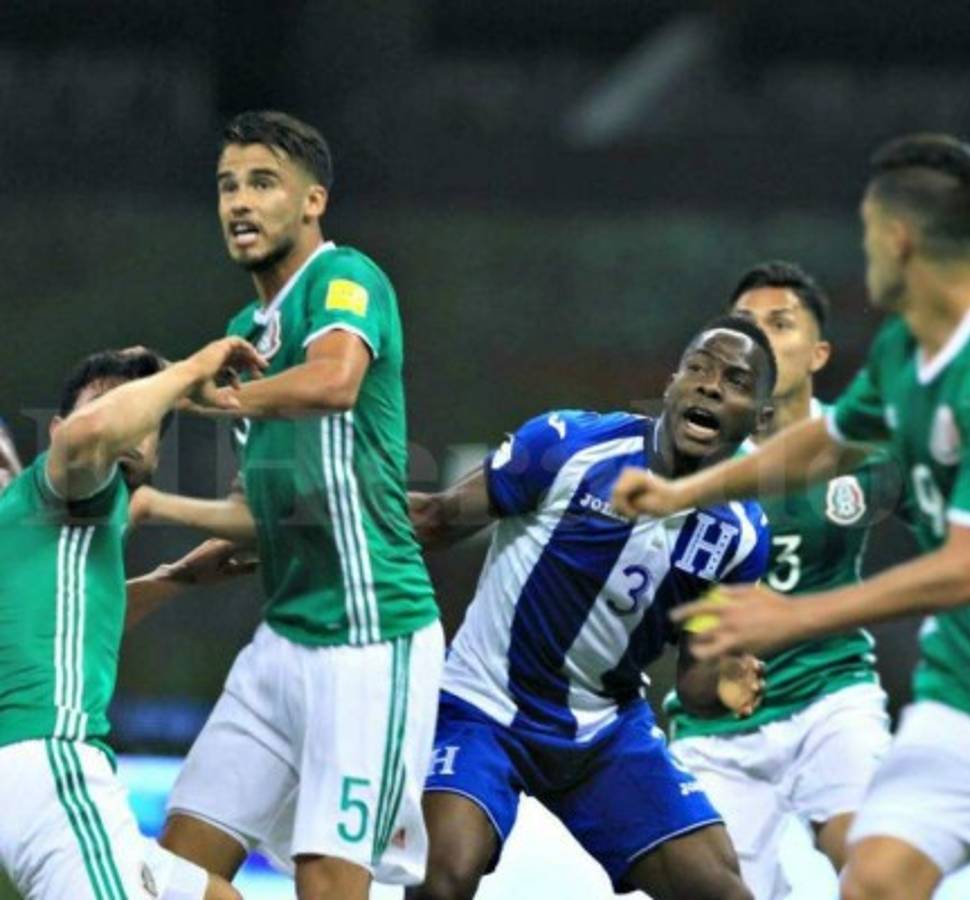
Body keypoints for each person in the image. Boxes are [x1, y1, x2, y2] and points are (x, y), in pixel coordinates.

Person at [612, 133, 970, 900]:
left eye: (866, 233)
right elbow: (827, 443)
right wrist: (681, 494)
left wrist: (793, 617)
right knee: (874, 882)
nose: (865, 254)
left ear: (898, 239)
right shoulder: (904, 349)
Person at [132, 110, 444, 900]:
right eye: (227, 186)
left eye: (263, 183)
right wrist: (158, 506)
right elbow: (261, 513)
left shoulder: (345, 279)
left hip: (370, 639)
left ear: (312, 202)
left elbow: (335, 381)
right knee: (175, 870)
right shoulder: (246, 331)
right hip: (283, 641)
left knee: (327, 883)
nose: (239, 202)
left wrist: (211, 397)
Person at [406, 318, 777, 900]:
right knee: (441, 879)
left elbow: (695, 680)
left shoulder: (741, 536)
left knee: (724, 893)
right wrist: (311, 525)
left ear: (760, 419)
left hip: (604, 731)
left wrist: (725, 684)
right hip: (484, 704)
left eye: (735, 381)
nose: (710, 385)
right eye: (698, 368)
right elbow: (435, 519)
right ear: (672, 383)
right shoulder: (570, 445)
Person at [664, 262, 898, 898]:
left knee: (875, 870)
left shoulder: (866, 446)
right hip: (718, 722)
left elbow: (951, 528)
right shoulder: (693, 459)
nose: (761, 336)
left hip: (831, 695)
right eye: (745, 324)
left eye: (781, 323)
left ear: (819, 353)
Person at [0, 340, 263, 900]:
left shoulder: (37, 544)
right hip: (52, 762)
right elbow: (91, 435)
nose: (119, 423)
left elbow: (71, 626)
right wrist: (192, 371)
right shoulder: (67, 487)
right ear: (56, 433)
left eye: (138, 413)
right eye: (102, 406)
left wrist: (175, 579)